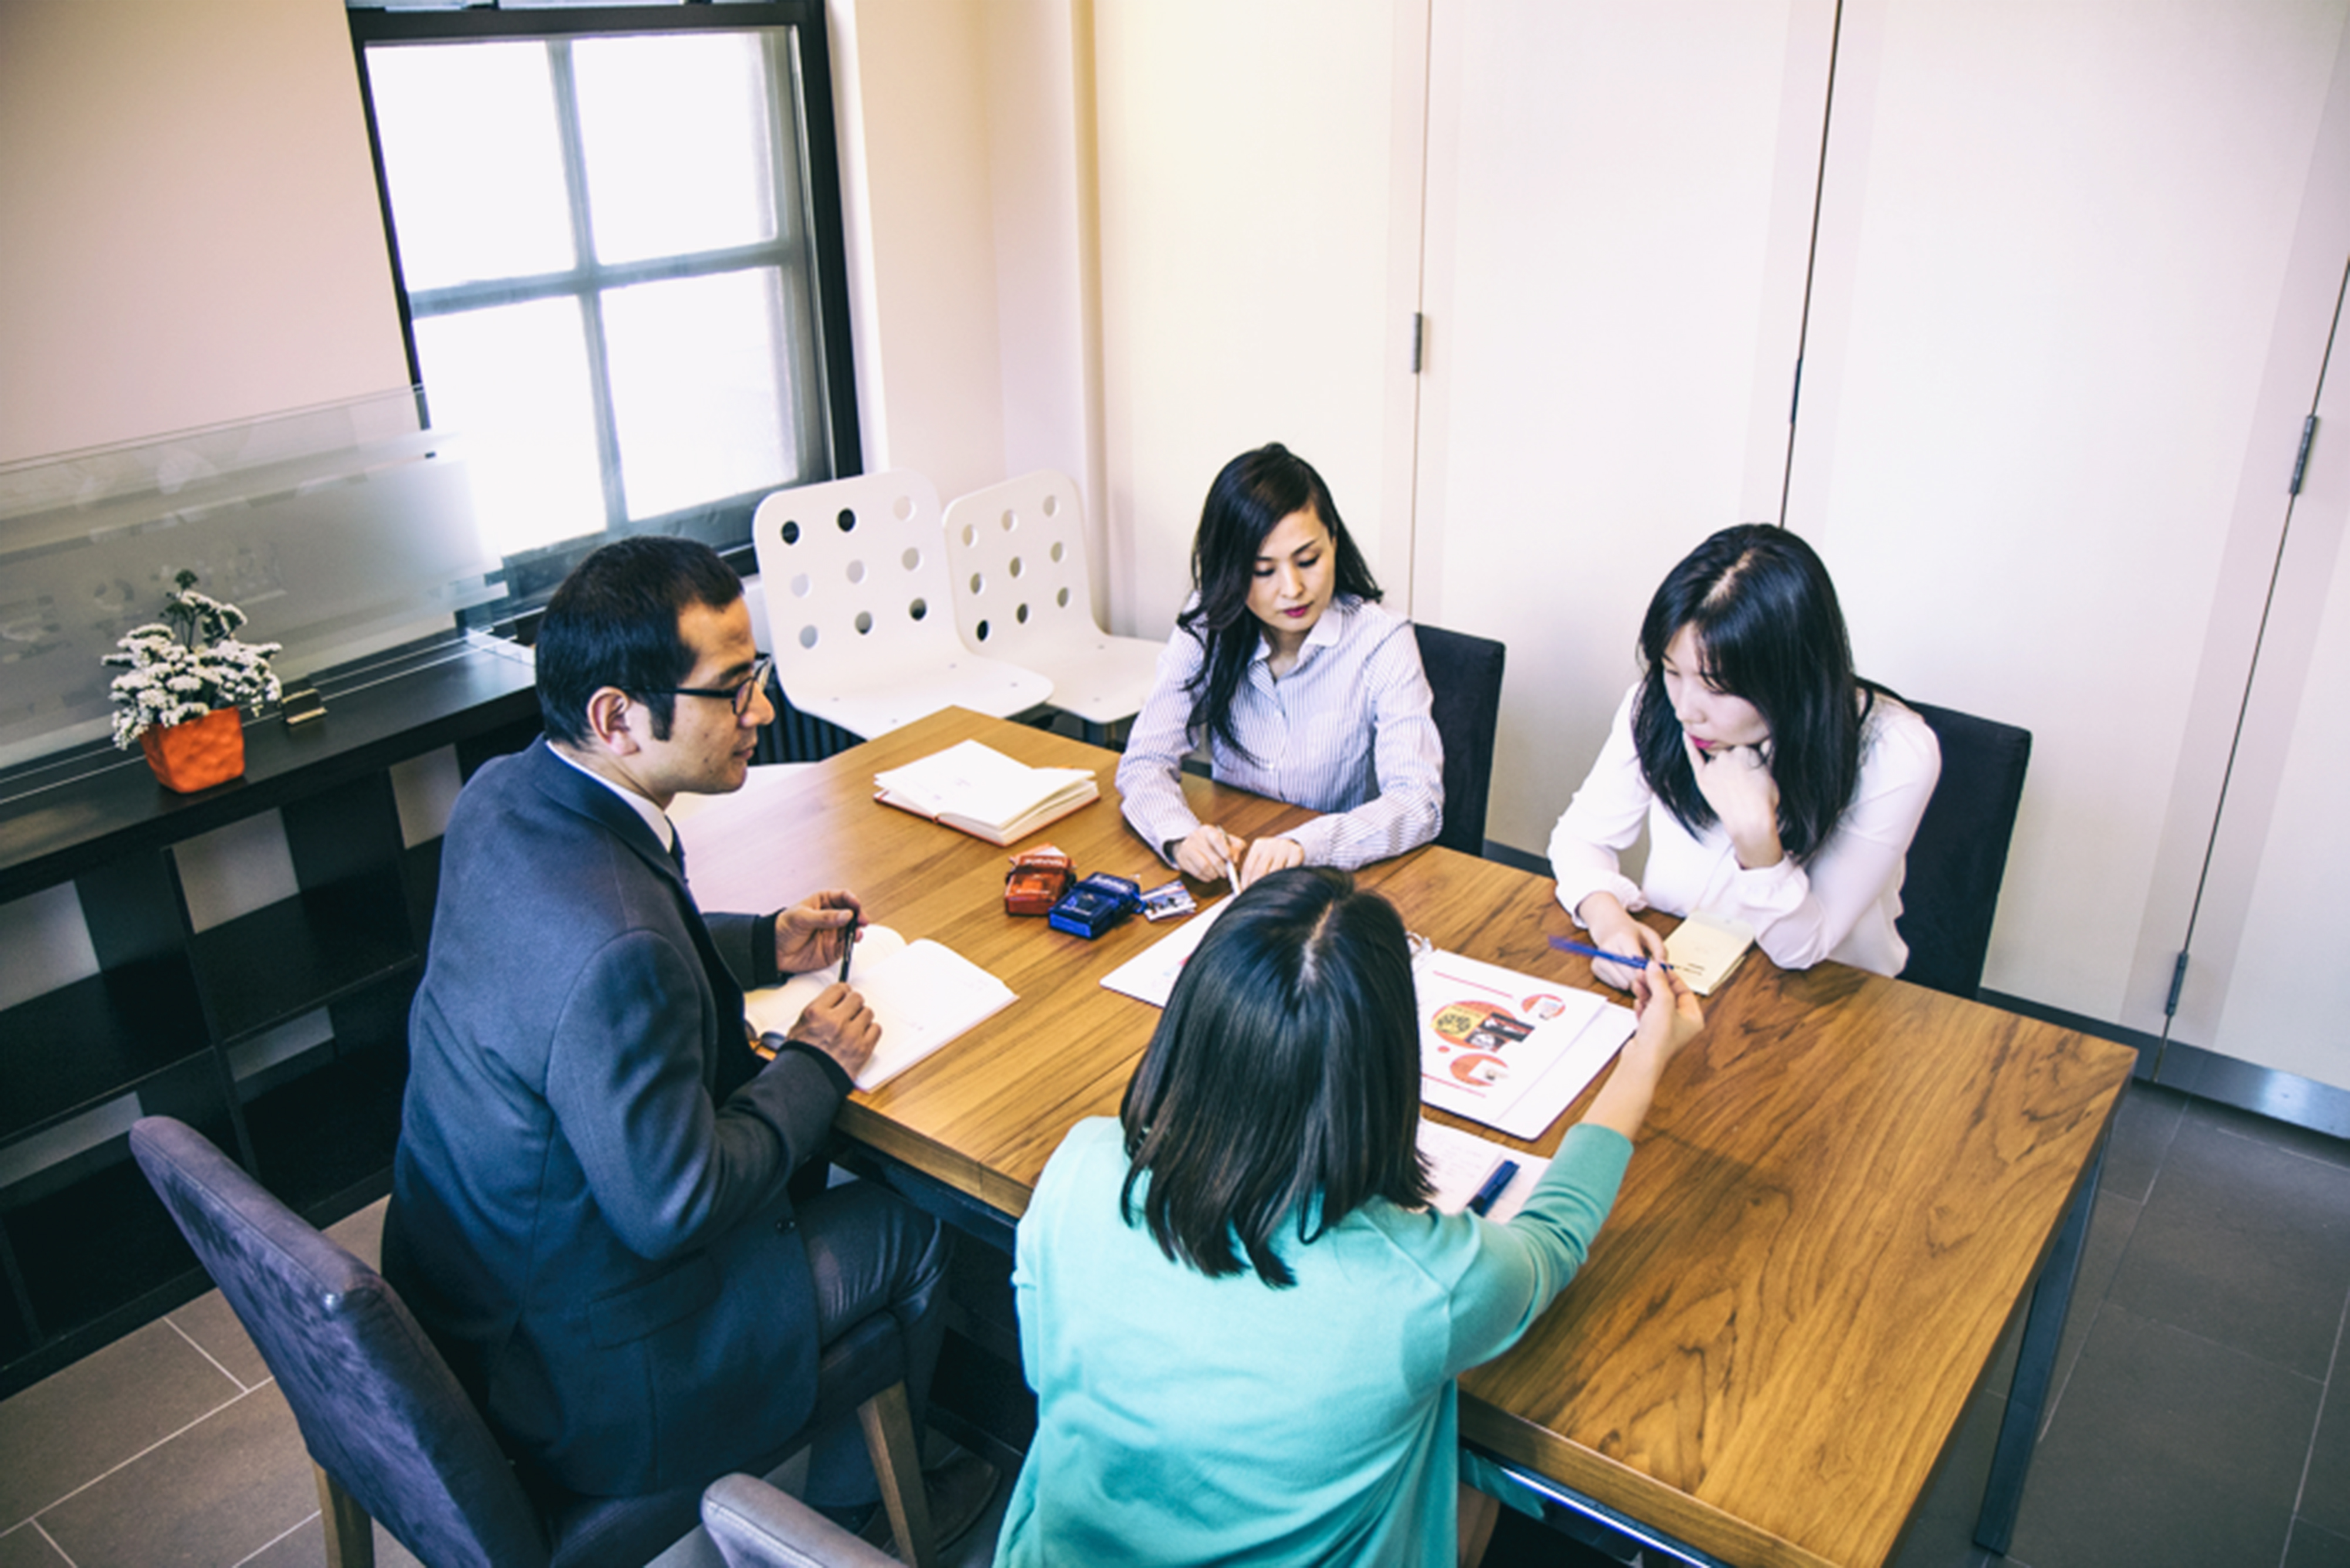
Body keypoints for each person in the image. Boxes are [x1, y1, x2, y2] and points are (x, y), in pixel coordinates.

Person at [380, 537, 989, 1539]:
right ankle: (862, 1519)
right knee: (910, 1226)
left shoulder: (502, 797)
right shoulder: (617, 944)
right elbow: (677, 1202)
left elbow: (585, 952)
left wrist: (760, 942)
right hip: (591, 1377)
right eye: (734, 688)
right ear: (617, 716)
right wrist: (813, 1064)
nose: (762, 711)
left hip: (470, 1294)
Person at [993, 867, 1704, 1566]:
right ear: (1386, 1066)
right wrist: (1645, 1055)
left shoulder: (1080, 1164)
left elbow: (1041, 1371)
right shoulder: (1422, 1282)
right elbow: (1551, 1238)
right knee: (1470, 1467)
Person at [1548, 523, 1941, 984]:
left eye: (1717, 687)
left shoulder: (1893, 752)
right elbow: (1581, 838)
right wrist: (1609, 922)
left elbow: (1803, 949)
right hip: (1685, 975)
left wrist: (1758, 844)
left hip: (1826, 997)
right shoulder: (1655, 706)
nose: (1686, 710)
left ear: (1793, 676)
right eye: (1673, 671)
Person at [1116, 442, 1443, 888]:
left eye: (1309, 560)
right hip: (1237, 870)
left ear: (1334, 542)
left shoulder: (1382, 640)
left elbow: (1418, 800)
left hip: (1337, 882)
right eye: (1263, 570)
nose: (1293, 588)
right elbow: (1144, 762)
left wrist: (1307, 846)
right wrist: (1181, 837)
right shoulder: (1208, 625)